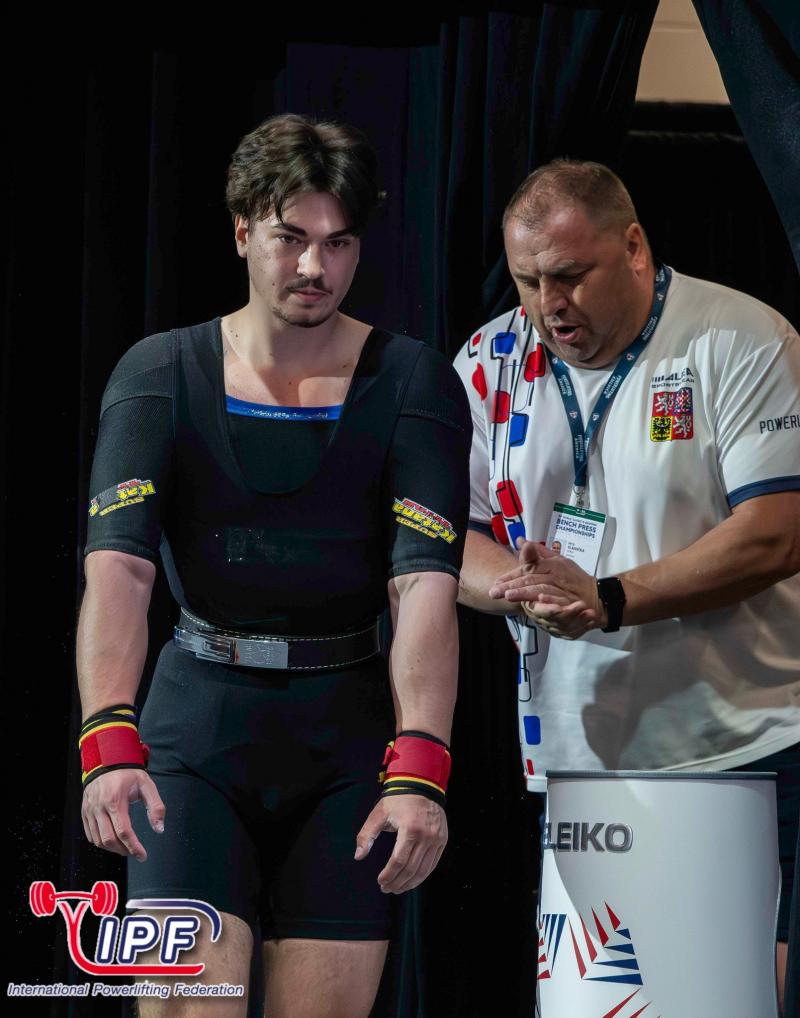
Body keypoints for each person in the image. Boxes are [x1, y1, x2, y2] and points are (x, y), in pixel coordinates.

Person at [78, 113, 471, 1017]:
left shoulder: (412, 381)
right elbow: (119, 573)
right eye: (291, 238)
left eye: (339, 244)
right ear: (242, 231)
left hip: (347, 750)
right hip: (193, 743)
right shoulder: (158, 373)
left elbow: (424, 586)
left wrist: (420, 768)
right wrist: (107, 740)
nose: (314, 267)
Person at [453, 159, 800, 1011]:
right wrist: (523, 590)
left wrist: (608, 599)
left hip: (744, 750)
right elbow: (441, 536)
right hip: (581, 763)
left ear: (636, 247)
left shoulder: (739, 337)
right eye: (528, 281)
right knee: (602, 1007)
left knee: (734, 1002)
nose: (548, 304)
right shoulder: (491, 360)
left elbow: (777, 531)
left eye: (571, 275)